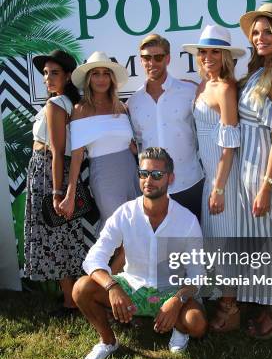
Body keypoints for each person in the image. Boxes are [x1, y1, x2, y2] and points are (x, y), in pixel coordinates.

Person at [73, 147, 208, 359]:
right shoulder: (125, 213)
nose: (148, 180)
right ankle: (108, 342)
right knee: (81, 288)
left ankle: (179, 328)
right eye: (144, 174)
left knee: (197, 324)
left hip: (170, 289)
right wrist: (112, 287)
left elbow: (198, 275)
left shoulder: (187, 220)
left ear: (170, 178)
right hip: (132, 287)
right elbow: (93, 259)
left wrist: (176, 302)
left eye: (156, 175)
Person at [183, 25, 245, 331]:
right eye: (203, 52)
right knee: (215, 244)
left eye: (214, 52)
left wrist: (219, 187)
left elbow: (230, 145)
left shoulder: (226, 88)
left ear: (225, 56)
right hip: (209, 176)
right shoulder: (200, 87)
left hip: (225, 177)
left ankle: (230, 308)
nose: (207, 57)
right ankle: (224, 299)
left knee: (224, 244)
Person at [237, 3, 272, 338]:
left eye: (267, 32)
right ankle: (270, 308)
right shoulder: (259, 72)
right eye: (255, 33)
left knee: (269, 243)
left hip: (262, 171)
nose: (260, 38)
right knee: (259, 243)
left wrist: (266, 185)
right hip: (248, 168)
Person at [24, 50, 85, 316]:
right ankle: (70, 299)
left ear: (69, 76)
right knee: (60, 237)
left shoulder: (56, 104)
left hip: (48, 172)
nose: (48, 78)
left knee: (55, 236)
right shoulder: (64, 103)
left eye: (55, 73)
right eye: (46, 73)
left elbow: (58, 151)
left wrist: (56, 191)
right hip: (48, 171)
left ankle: (71, 303)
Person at [127, 34, 204, 221]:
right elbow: (137, 142)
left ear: (167, 58)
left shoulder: (189, 91)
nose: (152, 62)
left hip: (190, 183)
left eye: (158, 57)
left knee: (195, 244)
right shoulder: (134, 102)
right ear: (141, 60)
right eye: (146, 57)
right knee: (162, 247)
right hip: (153, 190)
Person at [59, 51, 138, 232]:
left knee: (136, 227)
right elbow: (77, 156)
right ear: (88, 79)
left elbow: (132, 147)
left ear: (111, 78)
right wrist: (70, 194)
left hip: (131, 173)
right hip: (104, 177)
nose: (101, 79)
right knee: (115, 228)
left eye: (106, 74)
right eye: (96, 74)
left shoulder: (122, 107)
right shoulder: (80, 110)